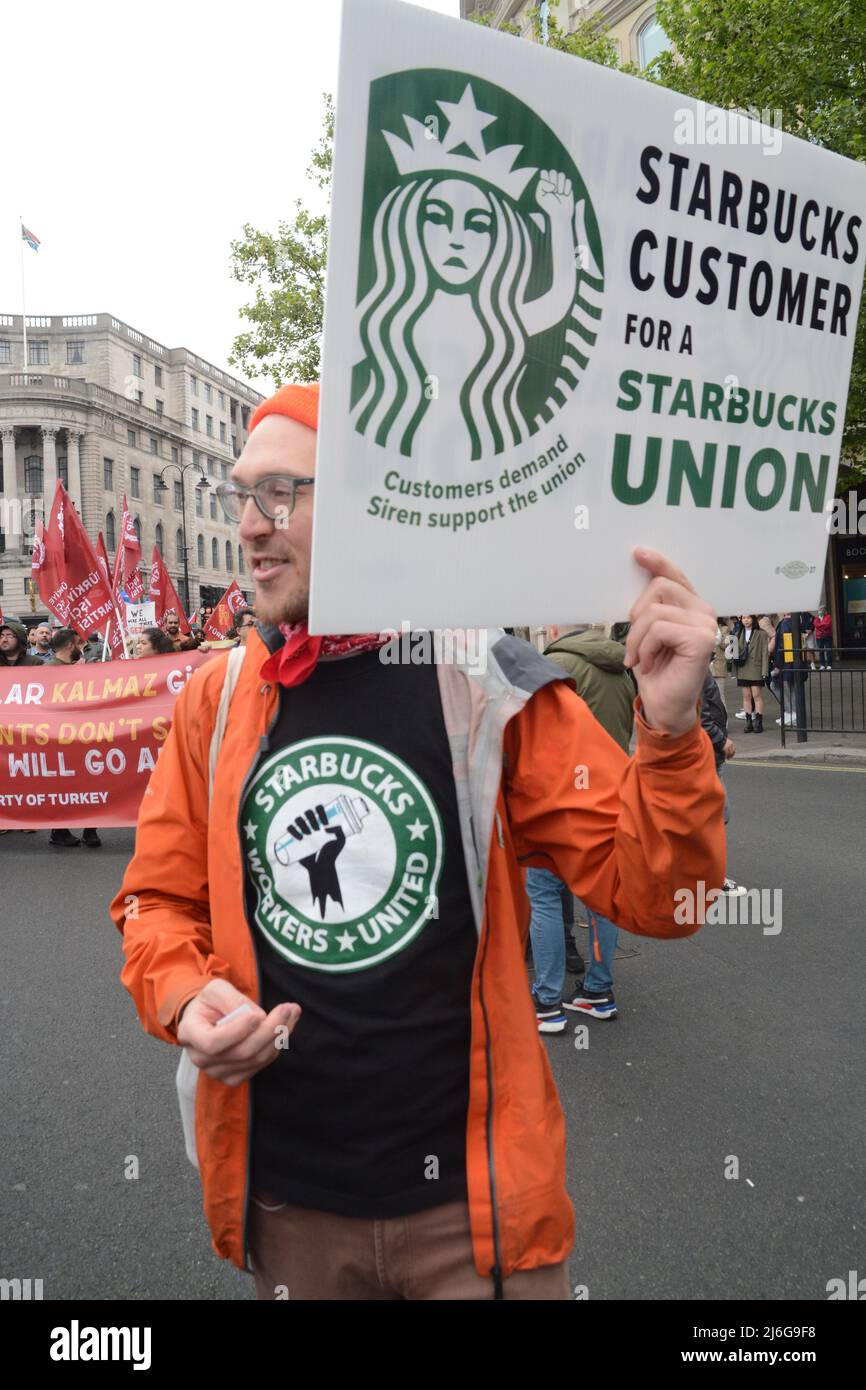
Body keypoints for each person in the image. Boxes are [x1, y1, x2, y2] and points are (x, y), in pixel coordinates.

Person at [111, 381, 725, 1303]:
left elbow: (659, 899)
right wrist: (186, 995)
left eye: (281, 494)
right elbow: (157, 903)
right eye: (237, 494)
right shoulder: (220, 697)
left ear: (365, 502)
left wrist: (669, 735)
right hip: (290, 1211)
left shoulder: (491, 682)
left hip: (474, 1225)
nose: (247, 525)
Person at [526, 622, 636, 1026]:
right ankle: (598, 990)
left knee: (544, 894)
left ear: (556, 627)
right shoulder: (623, 670)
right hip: (611, 800)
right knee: (602, 899)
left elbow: (539, 743)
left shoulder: (553, 667)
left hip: (560, 804)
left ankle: (548, 1000)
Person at [46, 629, 101, 848]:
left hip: (84, 735)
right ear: (71, 645)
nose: (82, 648)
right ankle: (60, 831)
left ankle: (91, 829)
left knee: (93, 783)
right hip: (60, 738)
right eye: (80, 644)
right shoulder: (48, 670)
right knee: (64, 788)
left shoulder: (82, 666)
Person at [700, 652, 745, 897]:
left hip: (707, 756)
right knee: (717, 817)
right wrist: (722, 740)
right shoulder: (695, 675)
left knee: (710, 818)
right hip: (706, 756)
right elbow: (701, 719)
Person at [731, 615, 769, 733]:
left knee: (756, 695)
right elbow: (733, 652)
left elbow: (764, 653)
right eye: (743, 618)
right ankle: (749, 722)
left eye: (748, 618)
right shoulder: (737, 633)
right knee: (746, 696)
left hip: (756, 668)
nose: (746, 620)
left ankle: (758, 722)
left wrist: (764, 671)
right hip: (743, 668)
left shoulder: (761, 633)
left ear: (753, 619)